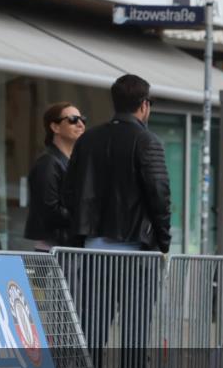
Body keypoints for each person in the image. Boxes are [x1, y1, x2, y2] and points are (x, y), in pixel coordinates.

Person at [63, 75, 170, 252]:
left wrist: (81, 230)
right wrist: (163, 241)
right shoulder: (147, 141)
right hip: (133, 244)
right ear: (144, 105)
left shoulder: (87, 139)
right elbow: (159, 194)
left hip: (90, 243)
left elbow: (69, 190)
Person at [25, 102, 85, 251]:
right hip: (53, 249)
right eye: (72, 119)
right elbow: (50, 210)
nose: (80, 124)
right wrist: (85, 216)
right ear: (55, 127)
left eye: (83, 119)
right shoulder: (48, 162)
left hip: (68, 247)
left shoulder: (73, 161)